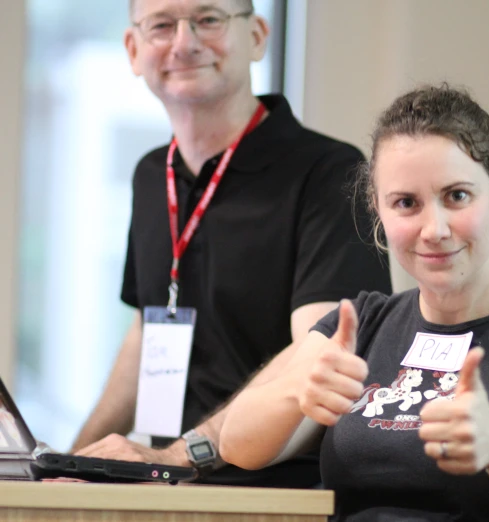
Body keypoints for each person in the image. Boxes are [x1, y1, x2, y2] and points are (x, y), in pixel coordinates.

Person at [219, 84, 489, 521]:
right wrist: (296, 390)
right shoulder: (362, 324)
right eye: (406, 203)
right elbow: (237, 445)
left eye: (456, 196)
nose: (434, 228)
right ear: (379, 212)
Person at [71, 0, 391, 487]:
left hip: (279, 489)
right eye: (161, 25)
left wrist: (186, 452)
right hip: (168, 485)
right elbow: (148, 331)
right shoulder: (151, 175)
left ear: (258, 36)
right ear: (134, 50)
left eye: (208, 19)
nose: (184, 42)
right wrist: (70, 463)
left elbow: (320, 348)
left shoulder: (331, 174)